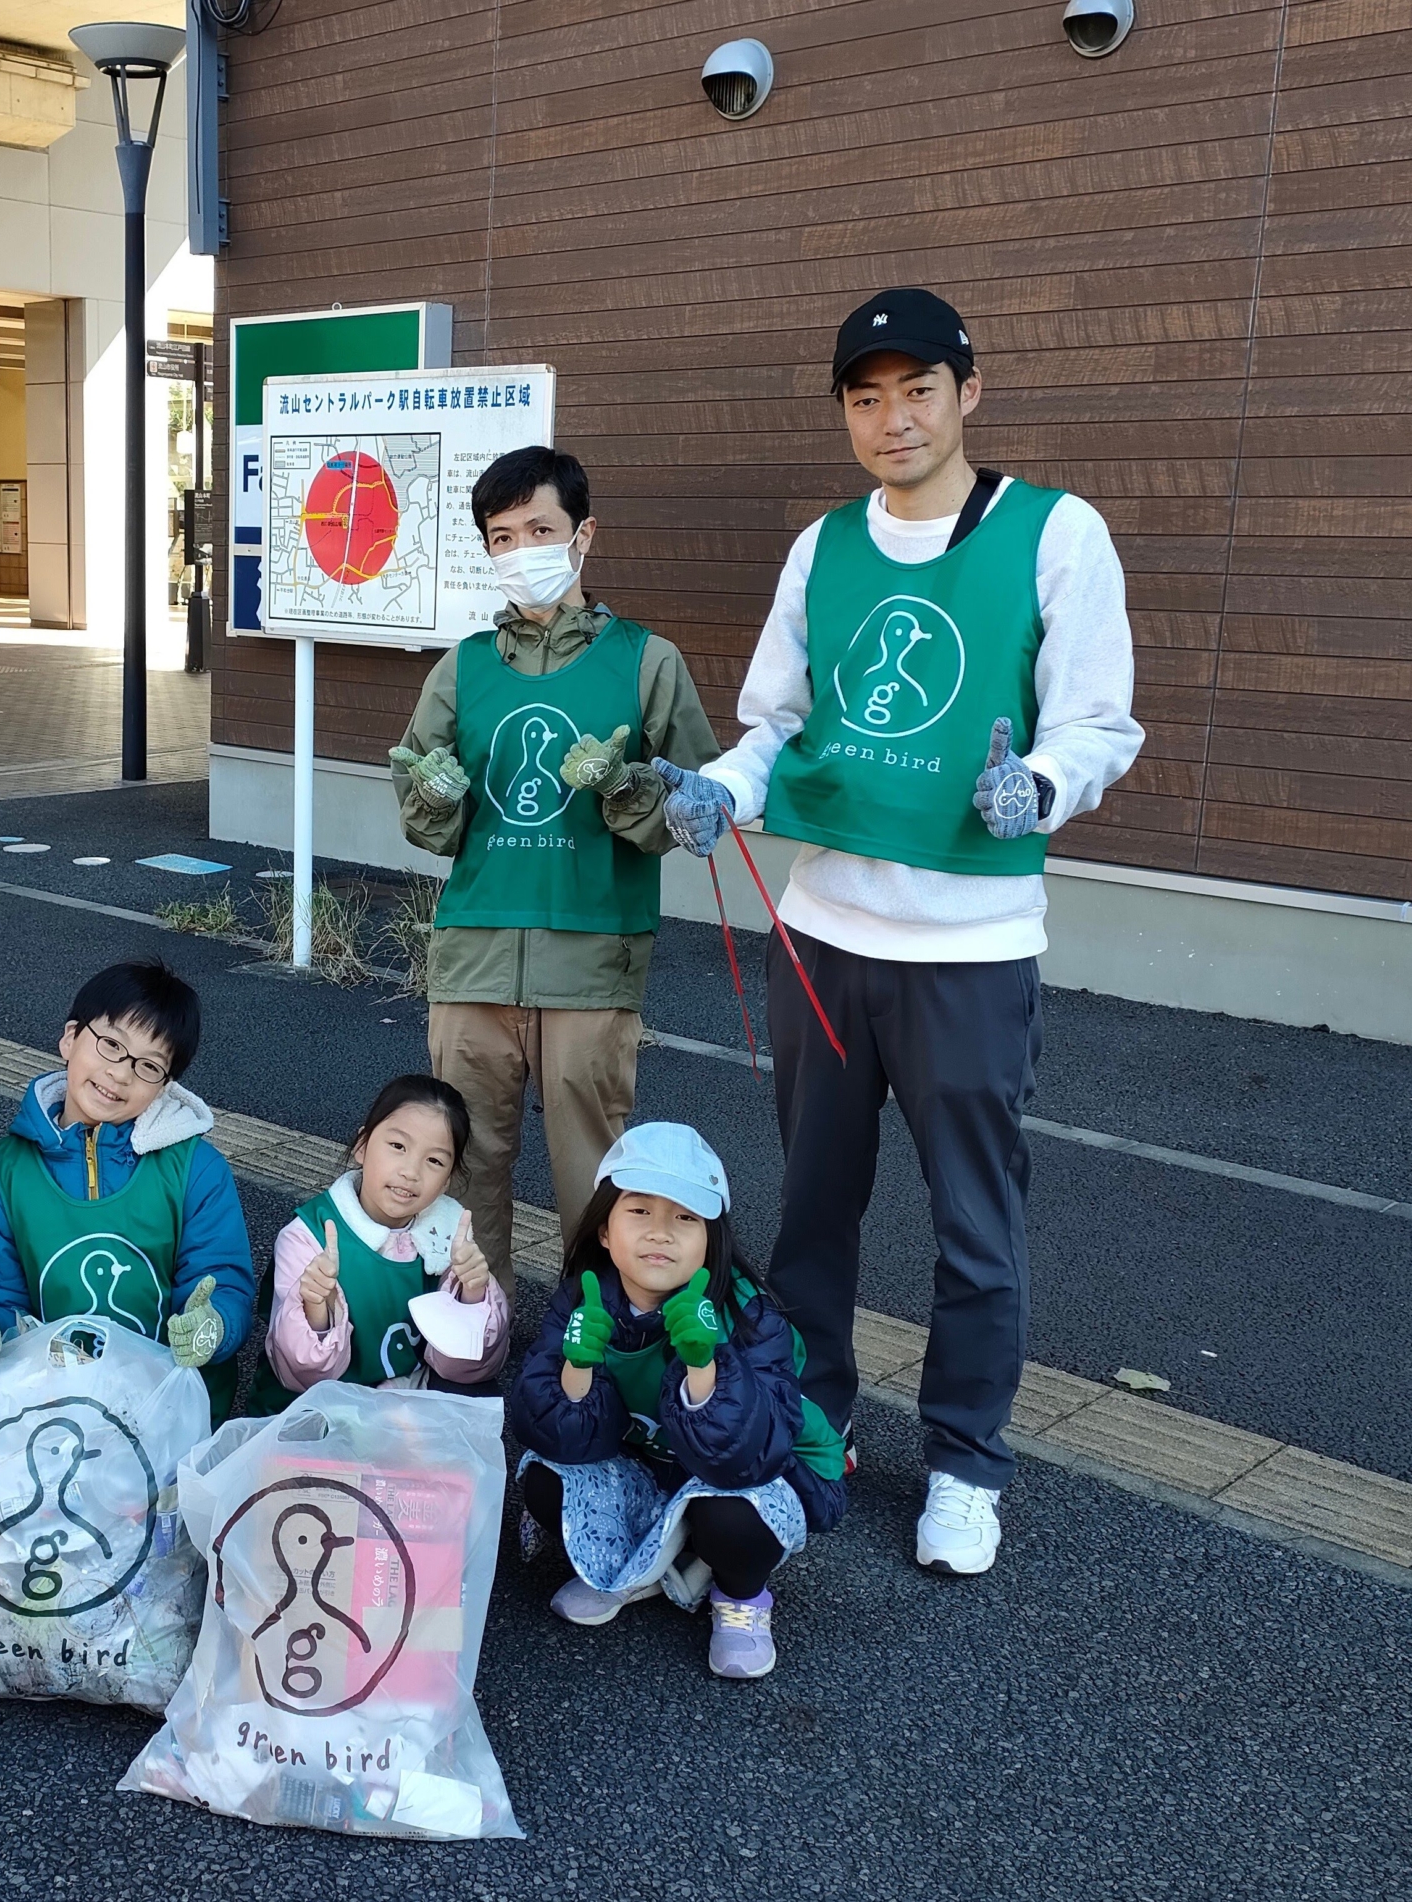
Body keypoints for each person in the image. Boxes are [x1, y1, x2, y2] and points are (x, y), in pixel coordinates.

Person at [659, 288, 1144, 1577]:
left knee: (974, 1226)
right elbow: (775, 722)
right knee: (812, 1209)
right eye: (865, 396)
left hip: (970, 951)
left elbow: (1098, 722)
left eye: (916, 389)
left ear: (967, 393)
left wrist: (1034, 786)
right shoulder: (824, 547)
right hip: (820, 931)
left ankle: (966, 1464)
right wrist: (725, 790)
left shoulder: (1055, 534)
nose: (892, 418)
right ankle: (815, 1420)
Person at [388, 445, 720, 1291]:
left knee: (597, 1183)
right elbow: (426, 820)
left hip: (592, 957)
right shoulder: (461, 668)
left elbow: (698, 811)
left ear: (583, 535)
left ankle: (594, 1345)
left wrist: (627, 785)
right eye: (502, 536)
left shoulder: (648, 662)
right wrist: (431, 794)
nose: (520, 549)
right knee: (458, 1171)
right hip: (473, 955)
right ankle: (468, 1339)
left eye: (541, 528)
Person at [510, 1124, 846, 1679]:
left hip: (770, 1470)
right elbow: (550, 1434)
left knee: (730, 1517)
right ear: (603, 1230)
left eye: (686, 1218)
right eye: (639, 1211)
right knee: (545, 1482)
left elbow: (748, 1459)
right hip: (657, 1466)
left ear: (712, 1240)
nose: (660, 1234)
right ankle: (643, 1566)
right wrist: (577, 1364)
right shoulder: (584, 1296)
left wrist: (704, 1364)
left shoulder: (748, 1312)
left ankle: (741, 1597)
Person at [0, 958, 256, 1420]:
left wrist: (216, 1324)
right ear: (71, 1037)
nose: (121, 1074)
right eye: (111, 1044)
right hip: (45, 1409)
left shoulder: (197, 1169)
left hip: (169, 1414)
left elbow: (223, 1283)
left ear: (167, 1085)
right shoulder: (2, 1176)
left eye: (149, 1066)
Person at [251, 1074, 508, 1408]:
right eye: (398, 1146)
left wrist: (474, 1297)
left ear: (448, 1180)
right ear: (362, 1146)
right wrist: (316, 1306)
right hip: (320, 1412)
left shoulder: (449, 1236)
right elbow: (301, 1374)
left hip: (405, 1410)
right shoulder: (308, 1237)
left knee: (479, 1398)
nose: (411, 1171)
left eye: (434, 1161)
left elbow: (468, 1369)